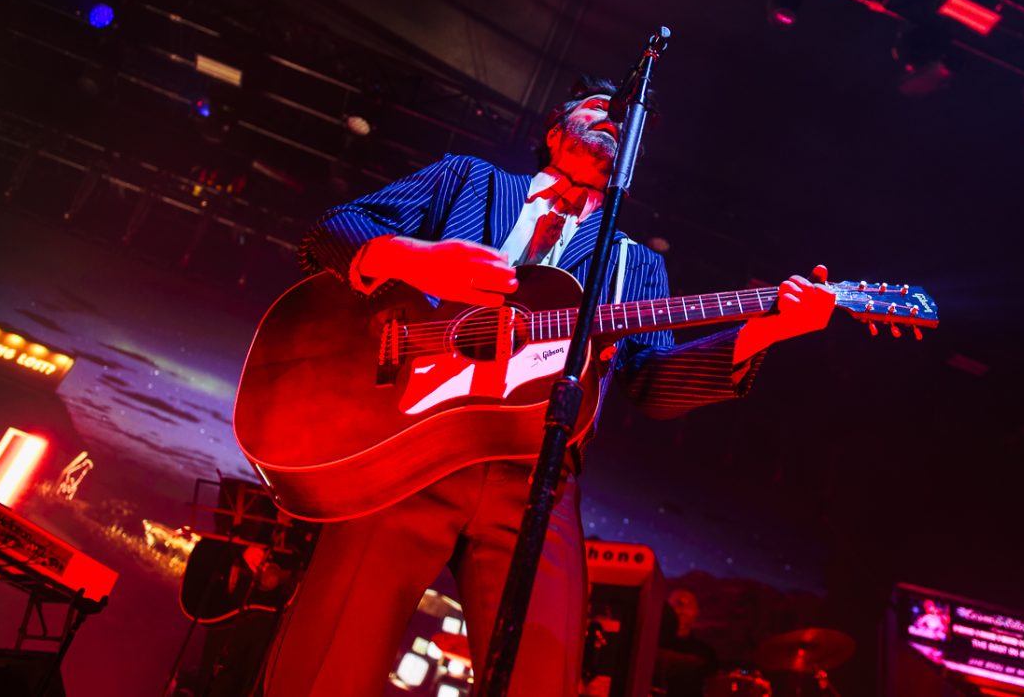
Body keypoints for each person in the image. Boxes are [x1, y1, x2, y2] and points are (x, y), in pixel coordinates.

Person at [262, 75, 836, 696]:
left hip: (536, 473)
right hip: (411, 449)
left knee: (542, 678)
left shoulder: (634, 264)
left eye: (626, 120)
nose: (615, 118)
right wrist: (409, 257)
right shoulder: (468, 182)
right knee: (328, 663)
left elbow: (650, 385)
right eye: (598, 108)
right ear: (554, 133)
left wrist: (763, 334)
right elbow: (332, 229)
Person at [655, 588, 720, 697]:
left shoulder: (706, 653)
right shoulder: (652, 645)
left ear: (697, 612)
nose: (683, 610)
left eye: (688, 605)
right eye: (678, 604)